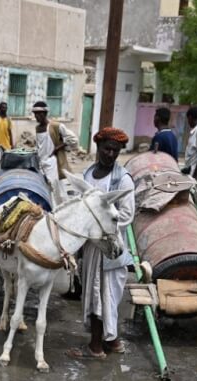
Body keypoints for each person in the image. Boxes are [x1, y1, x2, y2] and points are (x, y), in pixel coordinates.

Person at [69, 127, 135, 360]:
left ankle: (95, 348)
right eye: (107, 149)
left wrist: (101, 225)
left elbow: (127, 215)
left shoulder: (123, 179)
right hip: (90, 247)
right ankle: (113, 341)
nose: (110, 154)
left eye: (115, 151)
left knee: (103, 296)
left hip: (109, 248)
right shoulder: (87, 174)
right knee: (99, 295)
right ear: (98, 147)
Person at [32, 100, 79, 177]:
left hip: (52, 163)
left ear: (45, 114)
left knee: (54, 186)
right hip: (40, 163)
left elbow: (73, 139)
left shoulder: (55, 126)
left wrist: (58, 148)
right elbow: (39, 146)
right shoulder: (37, 128)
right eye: (35, 114)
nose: (36, 116)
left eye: (39, 113)